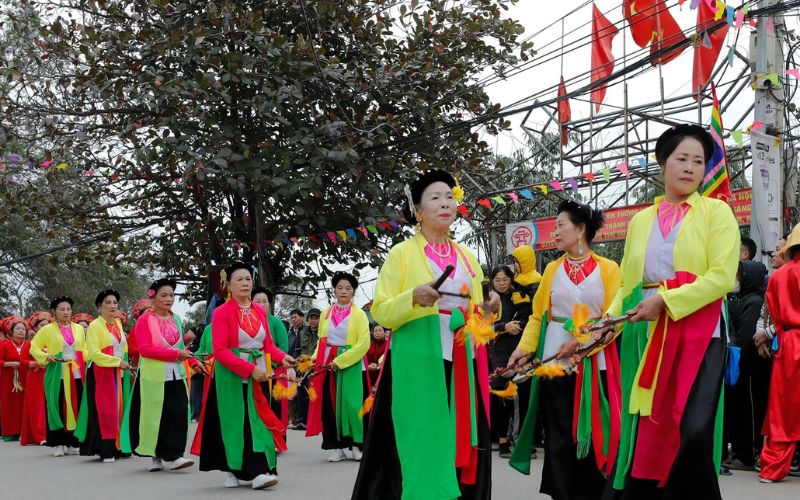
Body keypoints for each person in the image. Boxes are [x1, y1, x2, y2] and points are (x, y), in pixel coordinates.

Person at [595, 124, 739, 500]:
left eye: (698, 161)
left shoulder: (717, 213)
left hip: (702, 333)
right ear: (663, 164)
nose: (690, 168)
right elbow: (628, 286)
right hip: (649, 337)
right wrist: (608, 320)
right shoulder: (641, 221)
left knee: (694, 428)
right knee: (652, 430)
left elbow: (722, 277)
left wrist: (667, 301)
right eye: (682, 159)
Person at [353, 169, 498, 500]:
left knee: (463, 435)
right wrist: (412, 298)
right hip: (418, 360)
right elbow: (382, 311)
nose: (445, 203)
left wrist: (488, 310)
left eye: (449, 196)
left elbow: (477, 313)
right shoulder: (402, 254)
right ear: (417, 210)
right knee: (421, 437)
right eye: (435, 197)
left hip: (462, 359)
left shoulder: (467, 257)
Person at [506, 201, 622, 500]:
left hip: (596, 361)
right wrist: (523, 349)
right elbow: (536, 317)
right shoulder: (552, 270)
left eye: (560, 225)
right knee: (558, 433)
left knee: (594, 429)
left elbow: (614, 320)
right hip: (554, 362)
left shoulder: (609, 269)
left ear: (581, 229)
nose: (554, 231)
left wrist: (583, 342)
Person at [195, 262, 296, 490]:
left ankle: (260, 470)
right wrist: (250, 369)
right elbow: (219, 351)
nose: (244, 283)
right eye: (239, 279)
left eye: (248, 279)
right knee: (235, 424)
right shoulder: (221, 312)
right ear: (228, 285)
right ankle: (236, 469)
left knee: (258, 422)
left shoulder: (260, 311)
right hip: (232, 376)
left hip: (259, 375)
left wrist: (283, 358)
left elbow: (268, 345)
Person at [123, 279, 201, 472]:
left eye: (171, 295)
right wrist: (176, 355)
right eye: (163, 295)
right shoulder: (145, 320)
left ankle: (175, 455)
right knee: (156, 416)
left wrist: (193, 361)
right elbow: (145, 350)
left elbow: (181, 347)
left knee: (180, 411)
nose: (169, 299)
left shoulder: (177, 319)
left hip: (176, 373)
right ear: (153, 298)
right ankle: (157, 455)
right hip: (153, 377)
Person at [306, 272, 371, 462]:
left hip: (351, 363)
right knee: (331, 404)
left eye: (348, 288)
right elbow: (321, 341)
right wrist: (313, 359)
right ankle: (337, 446)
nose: (343, 291)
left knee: (353, 404)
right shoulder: (326, 312)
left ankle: (357, 445)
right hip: (328, 364)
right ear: (334, 289)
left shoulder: (359, 314)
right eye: (340, 287)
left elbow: (364, 343)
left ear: (353, 292)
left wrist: (341, 361)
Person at [759, 223, 800, 483]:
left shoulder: (779, 275)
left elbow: (771, 312)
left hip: (788, 343)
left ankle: (773, 467)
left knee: (783, 409)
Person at [76, 289, 132, 463]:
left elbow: (123, 347)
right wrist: (117, 362)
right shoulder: (95, 326)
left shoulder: (118, 324)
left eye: (115, 302)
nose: (112, 306)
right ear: (100, 306)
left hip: (119, 371)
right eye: (108, 302)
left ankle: (119, 446)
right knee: (106, 410)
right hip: (102, 372)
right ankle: (105, 449)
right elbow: (94, 353)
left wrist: (124, 363)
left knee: (119, 408)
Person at [724, 260, 768, 471]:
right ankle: (742, 451)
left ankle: (749, 454)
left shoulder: (754, 301)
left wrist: (735, 355)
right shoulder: (743, 299)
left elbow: (746, 337)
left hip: (750, 368)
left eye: (740, 275)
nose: (737, 279)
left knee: (749, 413)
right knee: (740, 412)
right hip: (741, 366)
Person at [28, 297, 86, 456]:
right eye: (62, 309)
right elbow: (34, 348)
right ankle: (59, 443)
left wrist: (88, 358)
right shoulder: (47, 329)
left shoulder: (79, 329)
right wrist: (46, 357)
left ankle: (74, 442)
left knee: (76, 406)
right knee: (57, 406)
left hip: (76, 372)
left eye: (68, 309)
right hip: (57, 373)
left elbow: (84, 349)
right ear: (54, 312)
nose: (66, 312)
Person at [251, 286, 293, 439]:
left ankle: (278, 438)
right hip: (257, 369)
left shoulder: (276, 322)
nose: (262, 304)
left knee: (276, 406)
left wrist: (273, 365)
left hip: (276, 370)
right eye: (258, 301)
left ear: (269, 304)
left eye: (265, 301)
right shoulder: (250, 320)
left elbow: (282, 346)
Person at [489, 264, 521, 459]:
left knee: (520, 397)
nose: (502, 283)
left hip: (520, 349)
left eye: (505, 279)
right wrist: (504, 326)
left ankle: (521, 440)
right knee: (501, 396)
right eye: (498, 280)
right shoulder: (491, 301)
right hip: (500, 352)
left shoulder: (519, 296)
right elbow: (483, 326)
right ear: (492, 282)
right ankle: (501, 441)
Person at [20, 310, 53, 446]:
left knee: (50, 404)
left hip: (50, 376)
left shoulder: (53, 342)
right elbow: (23, 360)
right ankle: (40, 435)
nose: (44, 328)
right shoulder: (31, 343)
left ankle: (51, 433)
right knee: (37, 406)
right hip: (36, 377)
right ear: (35, 328)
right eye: (41, 326)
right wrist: (35, 363)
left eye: (46, 325)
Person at [0, 316, 30, 441]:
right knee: (9, 404)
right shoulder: (4, 344)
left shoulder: (29, 345)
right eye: (17, 329)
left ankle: (25, 432)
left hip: (26, 378)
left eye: (23, 329)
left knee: (24, 404)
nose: (21, 331)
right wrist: (8, 364)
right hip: (8, 378)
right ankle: (10, 433)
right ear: (11, 331)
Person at [291, 307, 320, 430]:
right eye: (311, 318)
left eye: (316, 318)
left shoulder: (323, 333)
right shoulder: (302, 333)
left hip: (317, 369)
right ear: (308, 319)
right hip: (303, 369)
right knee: (302, 394)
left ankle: (316, 422)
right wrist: (297, 369)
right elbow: (296, 351)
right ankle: (302, 421)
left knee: (315, 395)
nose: (313, 321)